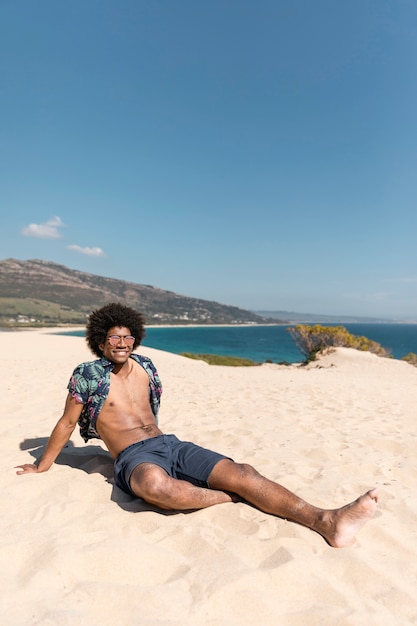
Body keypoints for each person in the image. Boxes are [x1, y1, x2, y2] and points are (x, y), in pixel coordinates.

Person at [16, 302, 378, 547]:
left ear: (136, 338)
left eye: (128, 336)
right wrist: (41, 465)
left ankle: (326, 520)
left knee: (245, 472)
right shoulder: (87, 375)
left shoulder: (147, 367)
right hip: (132, 457)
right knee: (158, 487)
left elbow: (152, 412)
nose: (122, 343)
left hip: (169, 444)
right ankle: (229, 497)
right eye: (114, 337)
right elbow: (66, 422)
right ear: (100, 341)